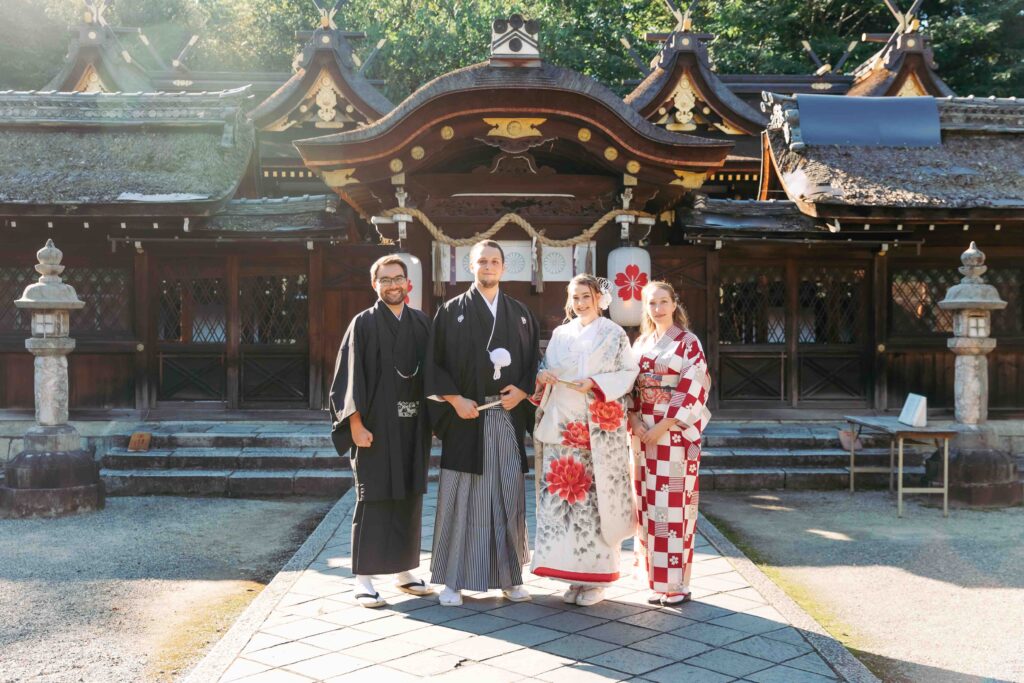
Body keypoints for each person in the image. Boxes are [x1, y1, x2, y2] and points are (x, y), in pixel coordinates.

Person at [425, 240, 541, 606]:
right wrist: (454, 400)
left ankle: (511, 578)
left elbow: (532, 365)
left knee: (507, 497)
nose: (488, 267)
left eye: (494, 261)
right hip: (465, 418)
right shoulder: (450, 311)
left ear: (504, 268)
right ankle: (452, 581)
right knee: (461, 498)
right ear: (470, 267)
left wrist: (522, 392)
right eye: (482, 262)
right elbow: (434, 363)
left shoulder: (520, 313)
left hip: (505, 417)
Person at [329, 254, 433, 608]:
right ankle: (363, 578)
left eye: (397, 278)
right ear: (374, 285)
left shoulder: (421, 323)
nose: (392, 285)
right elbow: (348, 379)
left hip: (413, 424)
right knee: (372, 498)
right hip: (373, 427)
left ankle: (405, 570)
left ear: (409, 284)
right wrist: (354, 425)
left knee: (409, 495)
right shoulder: (364, 324)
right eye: (385, 279)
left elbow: (436, 373)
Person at [530, 274, 639, 606]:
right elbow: (548, 370)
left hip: (596, 429)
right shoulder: (561, 334)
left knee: (595, 505)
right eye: (574, 297)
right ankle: (572, 575)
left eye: (586, 296)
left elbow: (628, 373)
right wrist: (543, 376)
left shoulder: (614, 333)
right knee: (562, 504)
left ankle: (598, 580)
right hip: (563, 427)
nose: (579, 303)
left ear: (599, 298)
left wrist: (594, 382)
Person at [628, 281, 711, 606]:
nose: (658, 308)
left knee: (673, 506)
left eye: (664, 302)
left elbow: (693, 386)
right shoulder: (641, 343)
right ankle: (654, 579)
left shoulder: (689, 343)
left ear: (675, 303)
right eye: (652, 303)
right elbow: (631, 386)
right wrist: (634, 419)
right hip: (642, 431)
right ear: (645, 308)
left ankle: (675, 584)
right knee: (646, 504)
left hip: (675, 432)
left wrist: (663, 424)